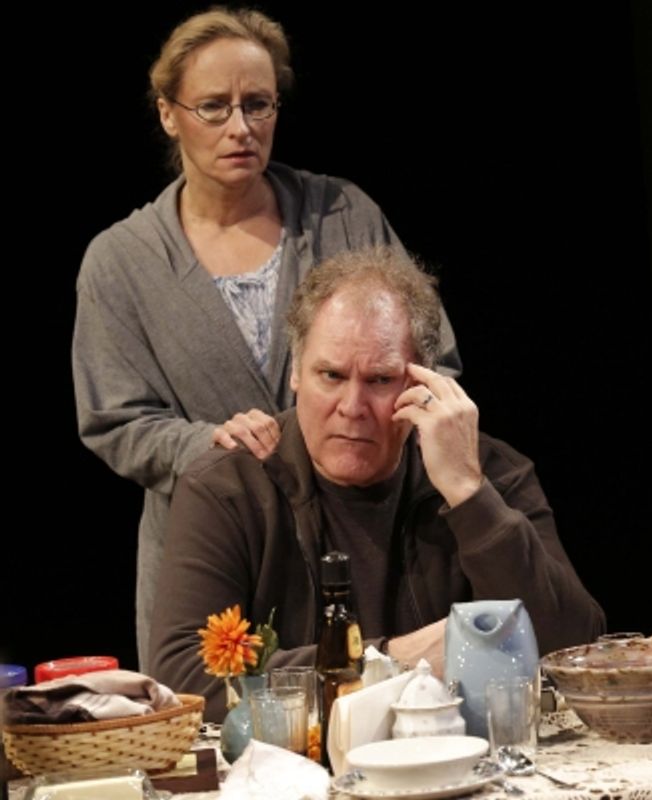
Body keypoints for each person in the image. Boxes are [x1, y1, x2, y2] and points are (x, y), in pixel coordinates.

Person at [71, 8, 461, 669]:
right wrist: (208, 442)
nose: (240, 128)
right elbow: (114, 420)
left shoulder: (342, 215)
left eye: (258, 104)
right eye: (213, 107)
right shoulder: (121, 261)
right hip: (212, 555)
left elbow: (433, 360)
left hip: (362, 543)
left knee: (373, 709)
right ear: (169, 113)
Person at [147, 246, 605, 719]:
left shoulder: (489, 472)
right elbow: (184, 677)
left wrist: (470, 494)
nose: (352, 406)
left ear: (421, 383)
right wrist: (392, 663)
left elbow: (572, 650)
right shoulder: (229, 488)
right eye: (331, 375)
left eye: (381, 379)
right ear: (295, 375)